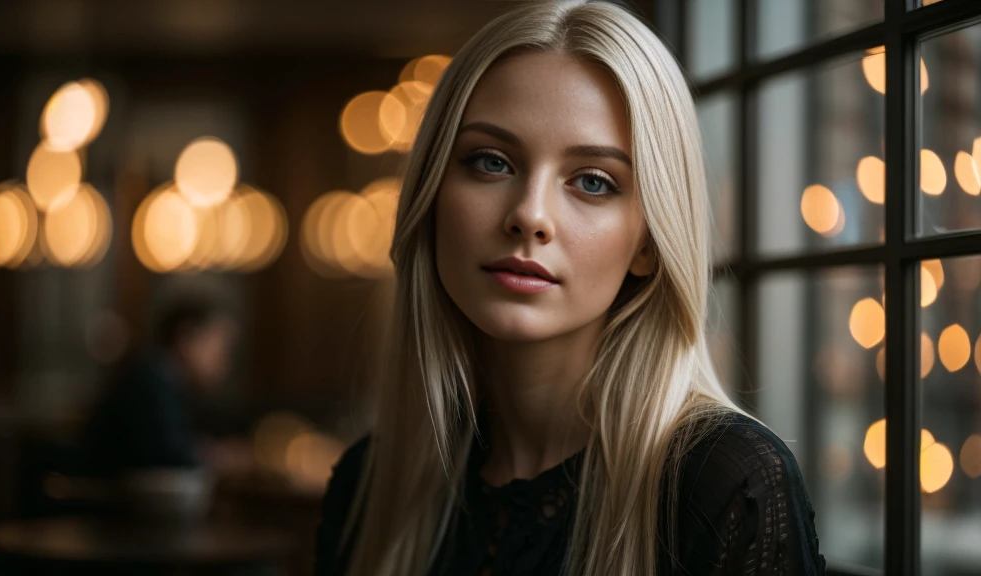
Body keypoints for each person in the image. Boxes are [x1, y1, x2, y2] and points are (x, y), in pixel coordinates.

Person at [316, 2, 826, 575]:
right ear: (432, 196)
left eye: (592, 181)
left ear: (649, 242)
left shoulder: (725, 485)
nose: (530, 215)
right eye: (491, 162)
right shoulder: (370, 485)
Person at [84, 293, 239, 477]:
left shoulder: (165, 381)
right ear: (186, 338)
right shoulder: (148, 382)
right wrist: (218, 458)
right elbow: (170, 459)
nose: (224, 361)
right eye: (219, 348)